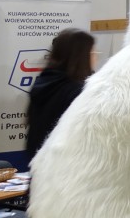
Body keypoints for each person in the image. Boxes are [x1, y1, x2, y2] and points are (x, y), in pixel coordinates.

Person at [26, 28, 95, 161]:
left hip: (40, 164)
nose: (95, 56)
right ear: (81, 56)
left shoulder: (44, 82)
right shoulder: (78, 91)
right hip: (67, 166)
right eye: (92, 51)